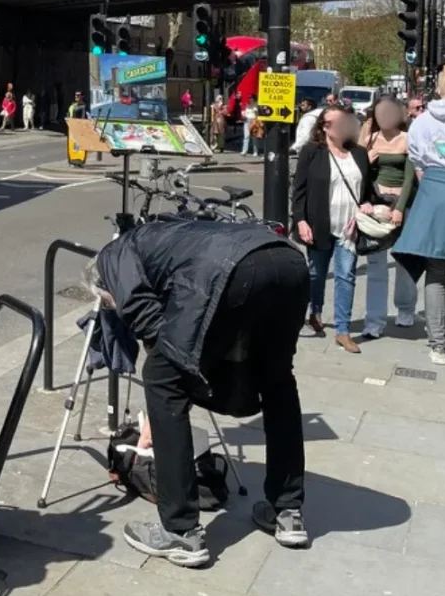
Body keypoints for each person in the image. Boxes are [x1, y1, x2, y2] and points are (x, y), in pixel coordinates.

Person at [96, 221, 310, 568]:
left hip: (232, 268)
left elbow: (143, 314)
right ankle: (288, 511)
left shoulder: (111, 257)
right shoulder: (161, 238)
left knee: (162, 380)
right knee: (277, 381)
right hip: (290, 262)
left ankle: (181, 530)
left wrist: (168, 381)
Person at [292, 104, 374, 354]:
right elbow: (299, 190)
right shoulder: (312, 152)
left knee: (346, 275)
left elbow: (367, 190)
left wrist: (367, 205)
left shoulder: (359, 153)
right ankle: (315, 311)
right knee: (316, 274)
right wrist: (301, 220)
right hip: (318, 224)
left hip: (349, 228)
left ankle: (343, 331)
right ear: (324, 127)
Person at [394, 63, 445, 365]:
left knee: (436, 273)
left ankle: (438, 345)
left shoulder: (422, 121)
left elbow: (417, 164)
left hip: (433, 192)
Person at [358, 96, 417, 339]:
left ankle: (406, 308)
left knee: (404, 259)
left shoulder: (408, 138)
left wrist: (400, 208)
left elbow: (410, 178)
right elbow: (361, 176)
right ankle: (374, 320)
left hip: (403, 204)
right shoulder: (369, 139)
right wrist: (367, 162)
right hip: (377, 203)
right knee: (376, 264)